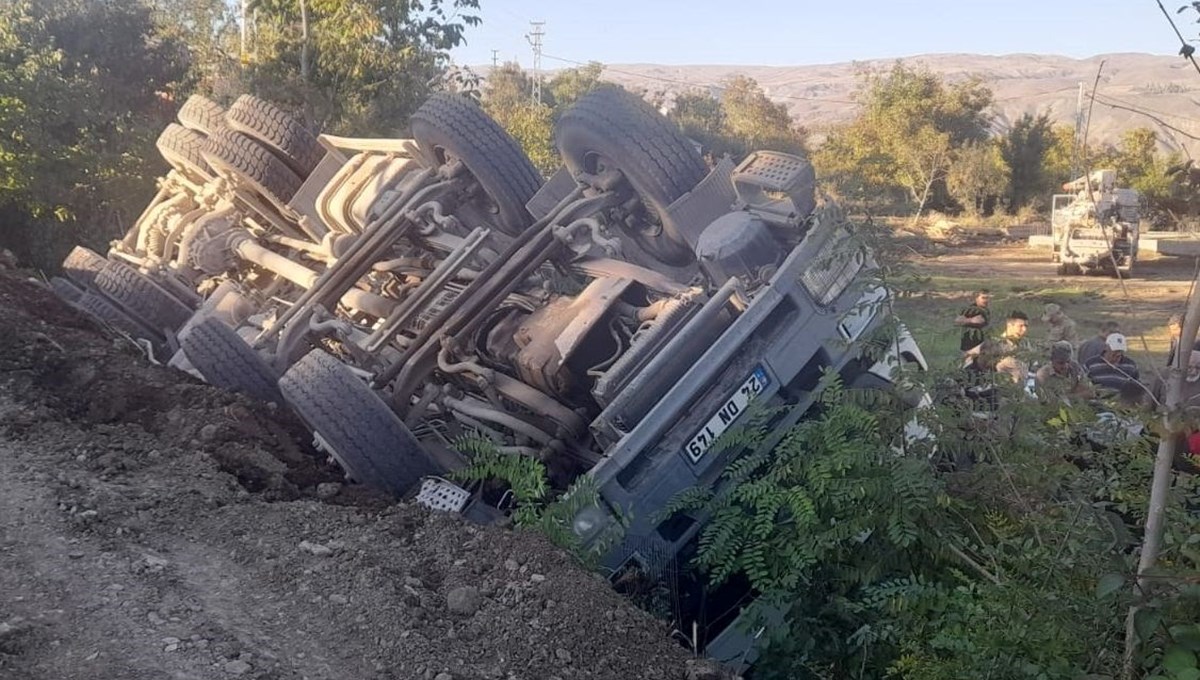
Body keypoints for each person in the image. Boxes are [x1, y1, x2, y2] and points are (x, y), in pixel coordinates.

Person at [994, 310, 1030, 385]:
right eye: (1020, 326)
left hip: (1021, 391)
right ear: (1009, 325)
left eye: (1026, 326)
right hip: (1003, 390)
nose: (1024, 330)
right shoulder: (996, 345)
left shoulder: (1026, 344)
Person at [955, 290, 991, 354]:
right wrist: (972, 320)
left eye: (987, 298)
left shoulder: (986, 311)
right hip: (969, 347)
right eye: (983, 298)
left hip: (981, 345)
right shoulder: (971, 309)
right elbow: (958, 320)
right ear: (976, 298)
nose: (986, 300)